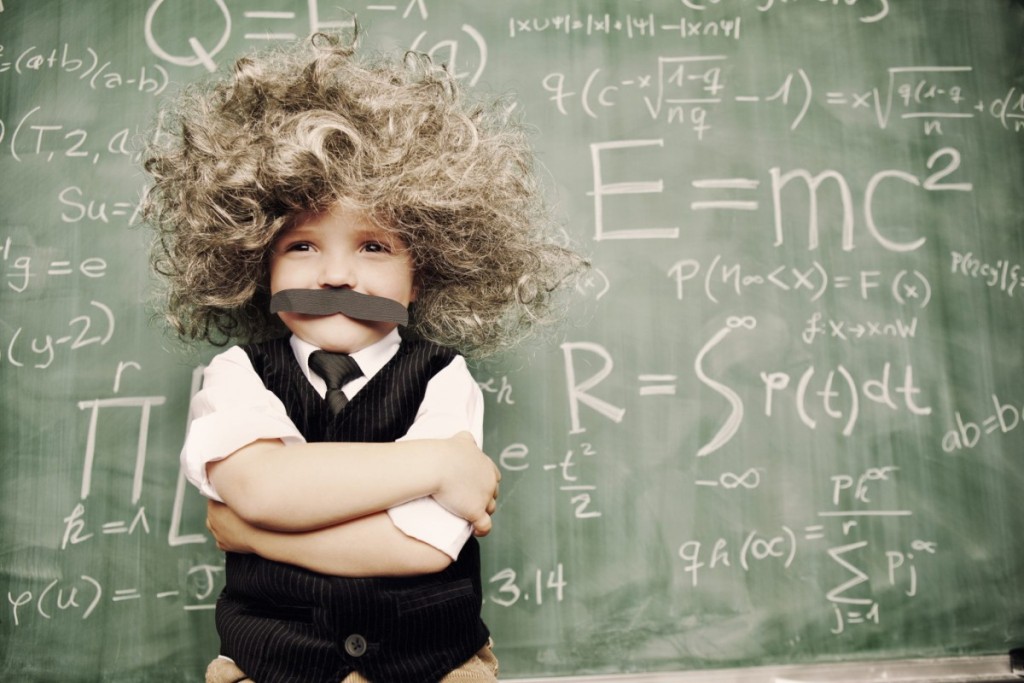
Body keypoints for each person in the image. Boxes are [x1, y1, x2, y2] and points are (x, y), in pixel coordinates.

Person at [143, 28, 585, 683]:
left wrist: (255, 532)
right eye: (301, 246)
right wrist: (436, 464)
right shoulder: (236, 374)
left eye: (374, 247)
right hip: (270, 665)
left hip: (434, 664)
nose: (335, 275)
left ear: (421, 273)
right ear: (258, 263)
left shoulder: (444, 377)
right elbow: (260, 486)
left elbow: (422, 546)